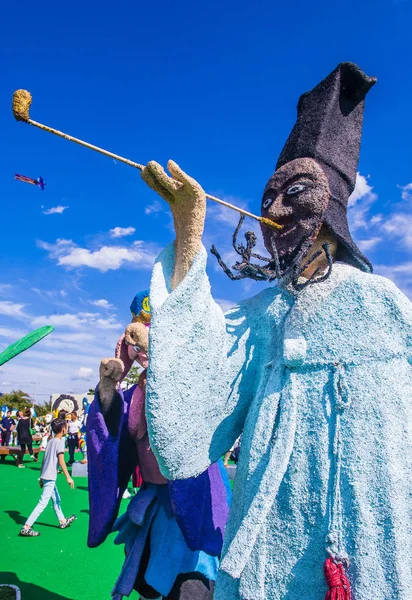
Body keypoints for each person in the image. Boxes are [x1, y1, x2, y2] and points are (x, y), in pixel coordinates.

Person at [139, 62, 412, 600]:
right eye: (268, 199)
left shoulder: (382, 306)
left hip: (362, 557)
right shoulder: (263, 314)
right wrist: (189, 237)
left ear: (331, 206)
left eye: (297, 192)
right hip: (263, 557)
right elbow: (194, 413)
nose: (274, 211)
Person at [87, 291, 231, 600]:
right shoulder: (133, 395)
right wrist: (110, 386)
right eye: (137, 340)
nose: (144, 348)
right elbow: (105, 433)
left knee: (192, 588)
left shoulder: (193, 380)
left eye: (157, 332)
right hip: (153, 509)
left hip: (194, 507)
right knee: (150, 588)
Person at [20, 418, 76, 537]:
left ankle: (62, 521)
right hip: (50, 476)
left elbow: (44, 460)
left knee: (56, 499)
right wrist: (68, 477)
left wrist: (41, 477)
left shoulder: (50, 441)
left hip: (46, 475)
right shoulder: (59, 442)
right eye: (66, 426)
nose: (67, 428)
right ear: (63, 429)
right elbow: (61, 461)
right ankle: (26, 527)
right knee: (43, 502)